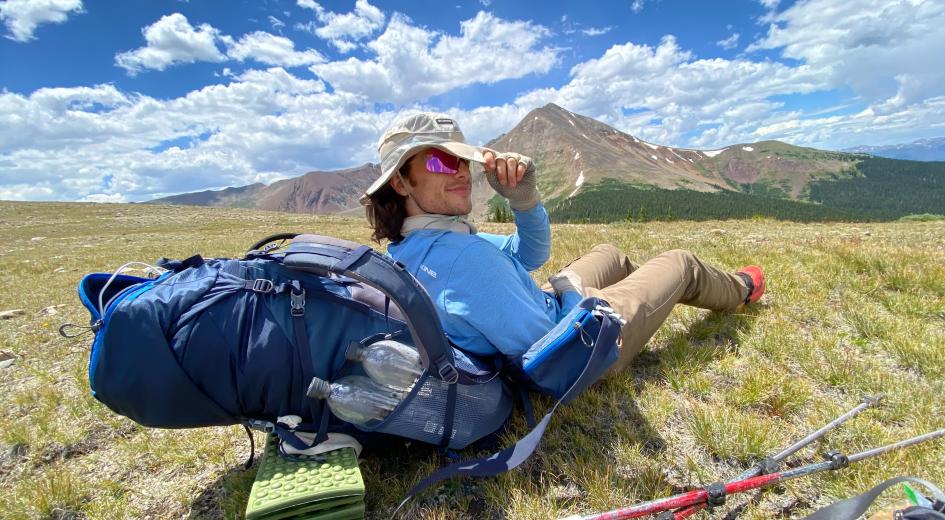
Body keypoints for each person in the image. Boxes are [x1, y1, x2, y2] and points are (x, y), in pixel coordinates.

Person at [360, 112, 765, 373]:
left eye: (461, 160)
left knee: (610, 254)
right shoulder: (462, 258)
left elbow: (529, 255)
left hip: (541, 307)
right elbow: (548, 345)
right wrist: (578, 297)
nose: (462, 172)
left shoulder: (418, 245)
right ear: (399, 182)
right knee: (682, 263)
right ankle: (742, 290)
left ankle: (647, 300)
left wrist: (525, 203)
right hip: (582, 347)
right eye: (440, 160)